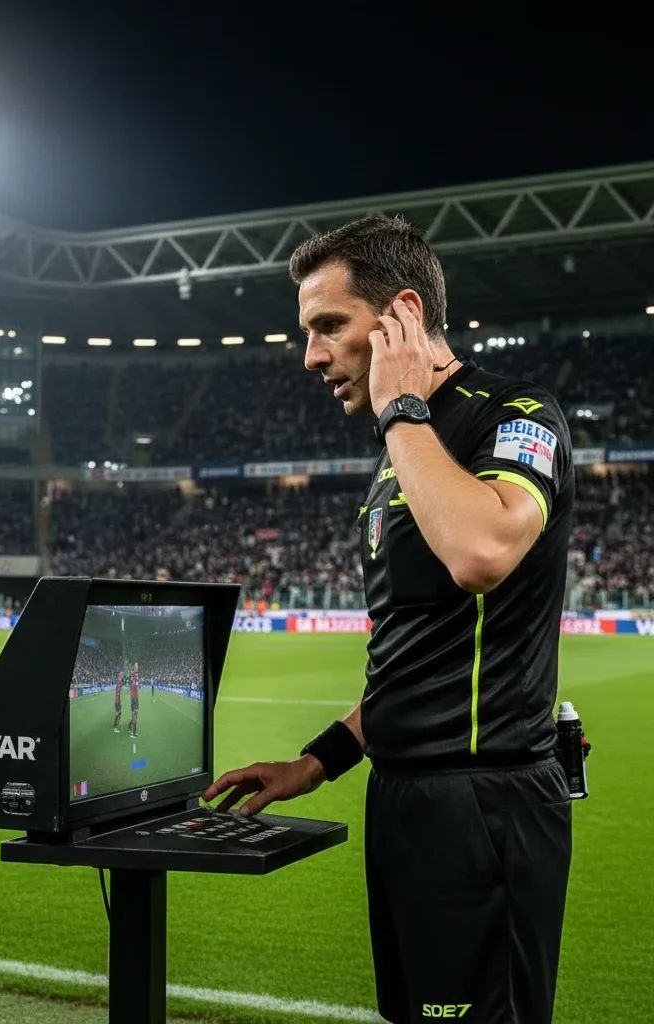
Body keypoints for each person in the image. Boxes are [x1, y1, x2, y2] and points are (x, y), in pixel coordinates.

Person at [204, 215, 574, 1024]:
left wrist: (401, 407)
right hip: (403, 803)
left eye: (328, 325)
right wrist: (316, 763)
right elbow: (417, 659)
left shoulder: (516, 415)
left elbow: (481, 552)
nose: (311, 356)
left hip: (486, 808)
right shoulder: (400, 452)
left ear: (403, 313)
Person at [128, 660, 141, 738]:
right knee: (134, 715)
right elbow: (131, 675)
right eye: (136, 666)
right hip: (134, 698)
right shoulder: (133, 674)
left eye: (137, 666)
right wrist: (131, 668)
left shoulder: (136, 674)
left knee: (136, 714)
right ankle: (133, 733)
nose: (137, 667)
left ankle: (129, 727)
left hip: (136, 698)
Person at [112, 669, 124, 733]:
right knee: (117, 713)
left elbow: (119, 691)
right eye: (122, 675)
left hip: (118, 700)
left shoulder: (120, 682)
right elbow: (118, 692)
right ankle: (115, 727)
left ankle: (117, 724)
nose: (122, 676)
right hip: (117, 701)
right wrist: (118, 700)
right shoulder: (119, 682)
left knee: (120, 712)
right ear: (120, 675)